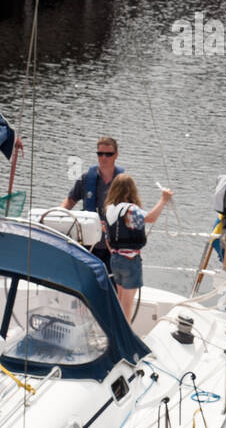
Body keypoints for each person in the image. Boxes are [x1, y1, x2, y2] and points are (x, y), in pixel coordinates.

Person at [102, 175, 173, 320]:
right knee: (127, 304)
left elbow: (107, 237)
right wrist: (163, 200)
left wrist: (115, 253)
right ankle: (124, 337)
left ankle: (117, 332)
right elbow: (150, 218)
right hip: (130, 260)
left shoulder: (110, 209)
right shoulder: (131, 210)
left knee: (120, 299)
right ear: (130, 191)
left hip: (115, 259)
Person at [62, 136, 124, 268]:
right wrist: (56, 216)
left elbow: (132, 210)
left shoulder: (123, 182)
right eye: (100, 154)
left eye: (108, 154)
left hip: (112, 246)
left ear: (116, 155)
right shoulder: (86, 178)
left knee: (112, 284)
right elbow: (70, 201)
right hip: (88, 244)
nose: (104, 157)